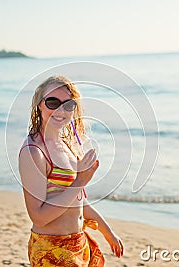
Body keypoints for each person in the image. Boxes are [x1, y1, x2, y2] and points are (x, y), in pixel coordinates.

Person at [18, 75, 123, 266]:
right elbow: (38, 217)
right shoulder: (34, 152)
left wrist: (108, 232)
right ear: (39, 105)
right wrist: (80, 181)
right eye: (52, 102)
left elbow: (77, 201)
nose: (61, 110)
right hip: (51, 249)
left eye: (68, 104)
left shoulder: (67, 146)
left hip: (78, 243)